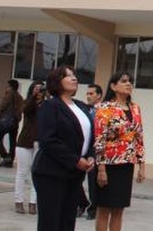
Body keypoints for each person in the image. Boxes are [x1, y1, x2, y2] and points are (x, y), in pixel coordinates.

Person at [32, 65, 95, 231]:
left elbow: (89, 135)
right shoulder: (50, 106)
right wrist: (75, 160)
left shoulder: (81, 106)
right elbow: (48, 140)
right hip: (51, 172)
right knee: (51, 222)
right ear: (56, 82)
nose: (74, 78)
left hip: (74, 173)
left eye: (74, 75)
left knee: (67, 221)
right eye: (68, 76)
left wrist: (90, 156)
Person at [94, 72, 145, 231]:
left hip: (126, 164)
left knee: (119, 209)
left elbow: (139, 137)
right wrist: (101, 169)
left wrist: (141, 166)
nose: (128, 84)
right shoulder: (104, 108)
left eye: (130, 81)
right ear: (113, 86)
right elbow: (99, 139)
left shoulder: (135, 108)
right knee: (104, 209)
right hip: (108, 165)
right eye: (124, 81)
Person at [14, 81, 45, 215]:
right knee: (22, 172)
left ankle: (33, 202)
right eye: (35, 89)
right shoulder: (28, 102)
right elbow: (26, 110)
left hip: (40, 142)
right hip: (25, 142)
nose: (38, 91)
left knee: (36, 173)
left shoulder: (47, 105)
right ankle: (18, 201)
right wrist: (33, 97)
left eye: (41, 89)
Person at [0, 79, 24, 168]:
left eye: (7, 86)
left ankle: (6, 157)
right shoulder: (20, 97)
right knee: (12, 142)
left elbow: (1, 106)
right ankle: (10, 160)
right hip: (14, 122)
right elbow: (20, 110)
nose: (6, 88)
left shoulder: (8, 96)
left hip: (5, 121)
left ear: (11, 87)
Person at [83, 83, 103, 221]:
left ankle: (93, 208)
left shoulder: (102, 111)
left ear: (99, 95)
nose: (88, 96)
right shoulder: (84, 109)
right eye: (87, 94)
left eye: (91, 94)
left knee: (92, 180)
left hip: (95, 149)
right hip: (82, 147)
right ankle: (81, 203)